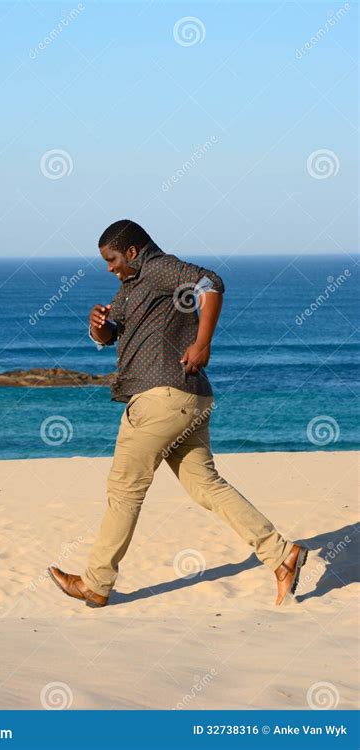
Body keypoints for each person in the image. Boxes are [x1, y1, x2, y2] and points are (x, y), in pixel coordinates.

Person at [48, 220, 308, 608]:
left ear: (132, 251)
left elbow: (212, 283)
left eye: (112, 259)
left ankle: (96, 584)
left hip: (160, 398)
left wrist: (203, 343)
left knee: (124, 490)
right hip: (189, 398)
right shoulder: (133, 285)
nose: (109, 268)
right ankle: (281, 554)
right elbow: (110, 335)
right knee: (206, 485)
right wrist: (98, 327)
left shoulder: (157, 267)